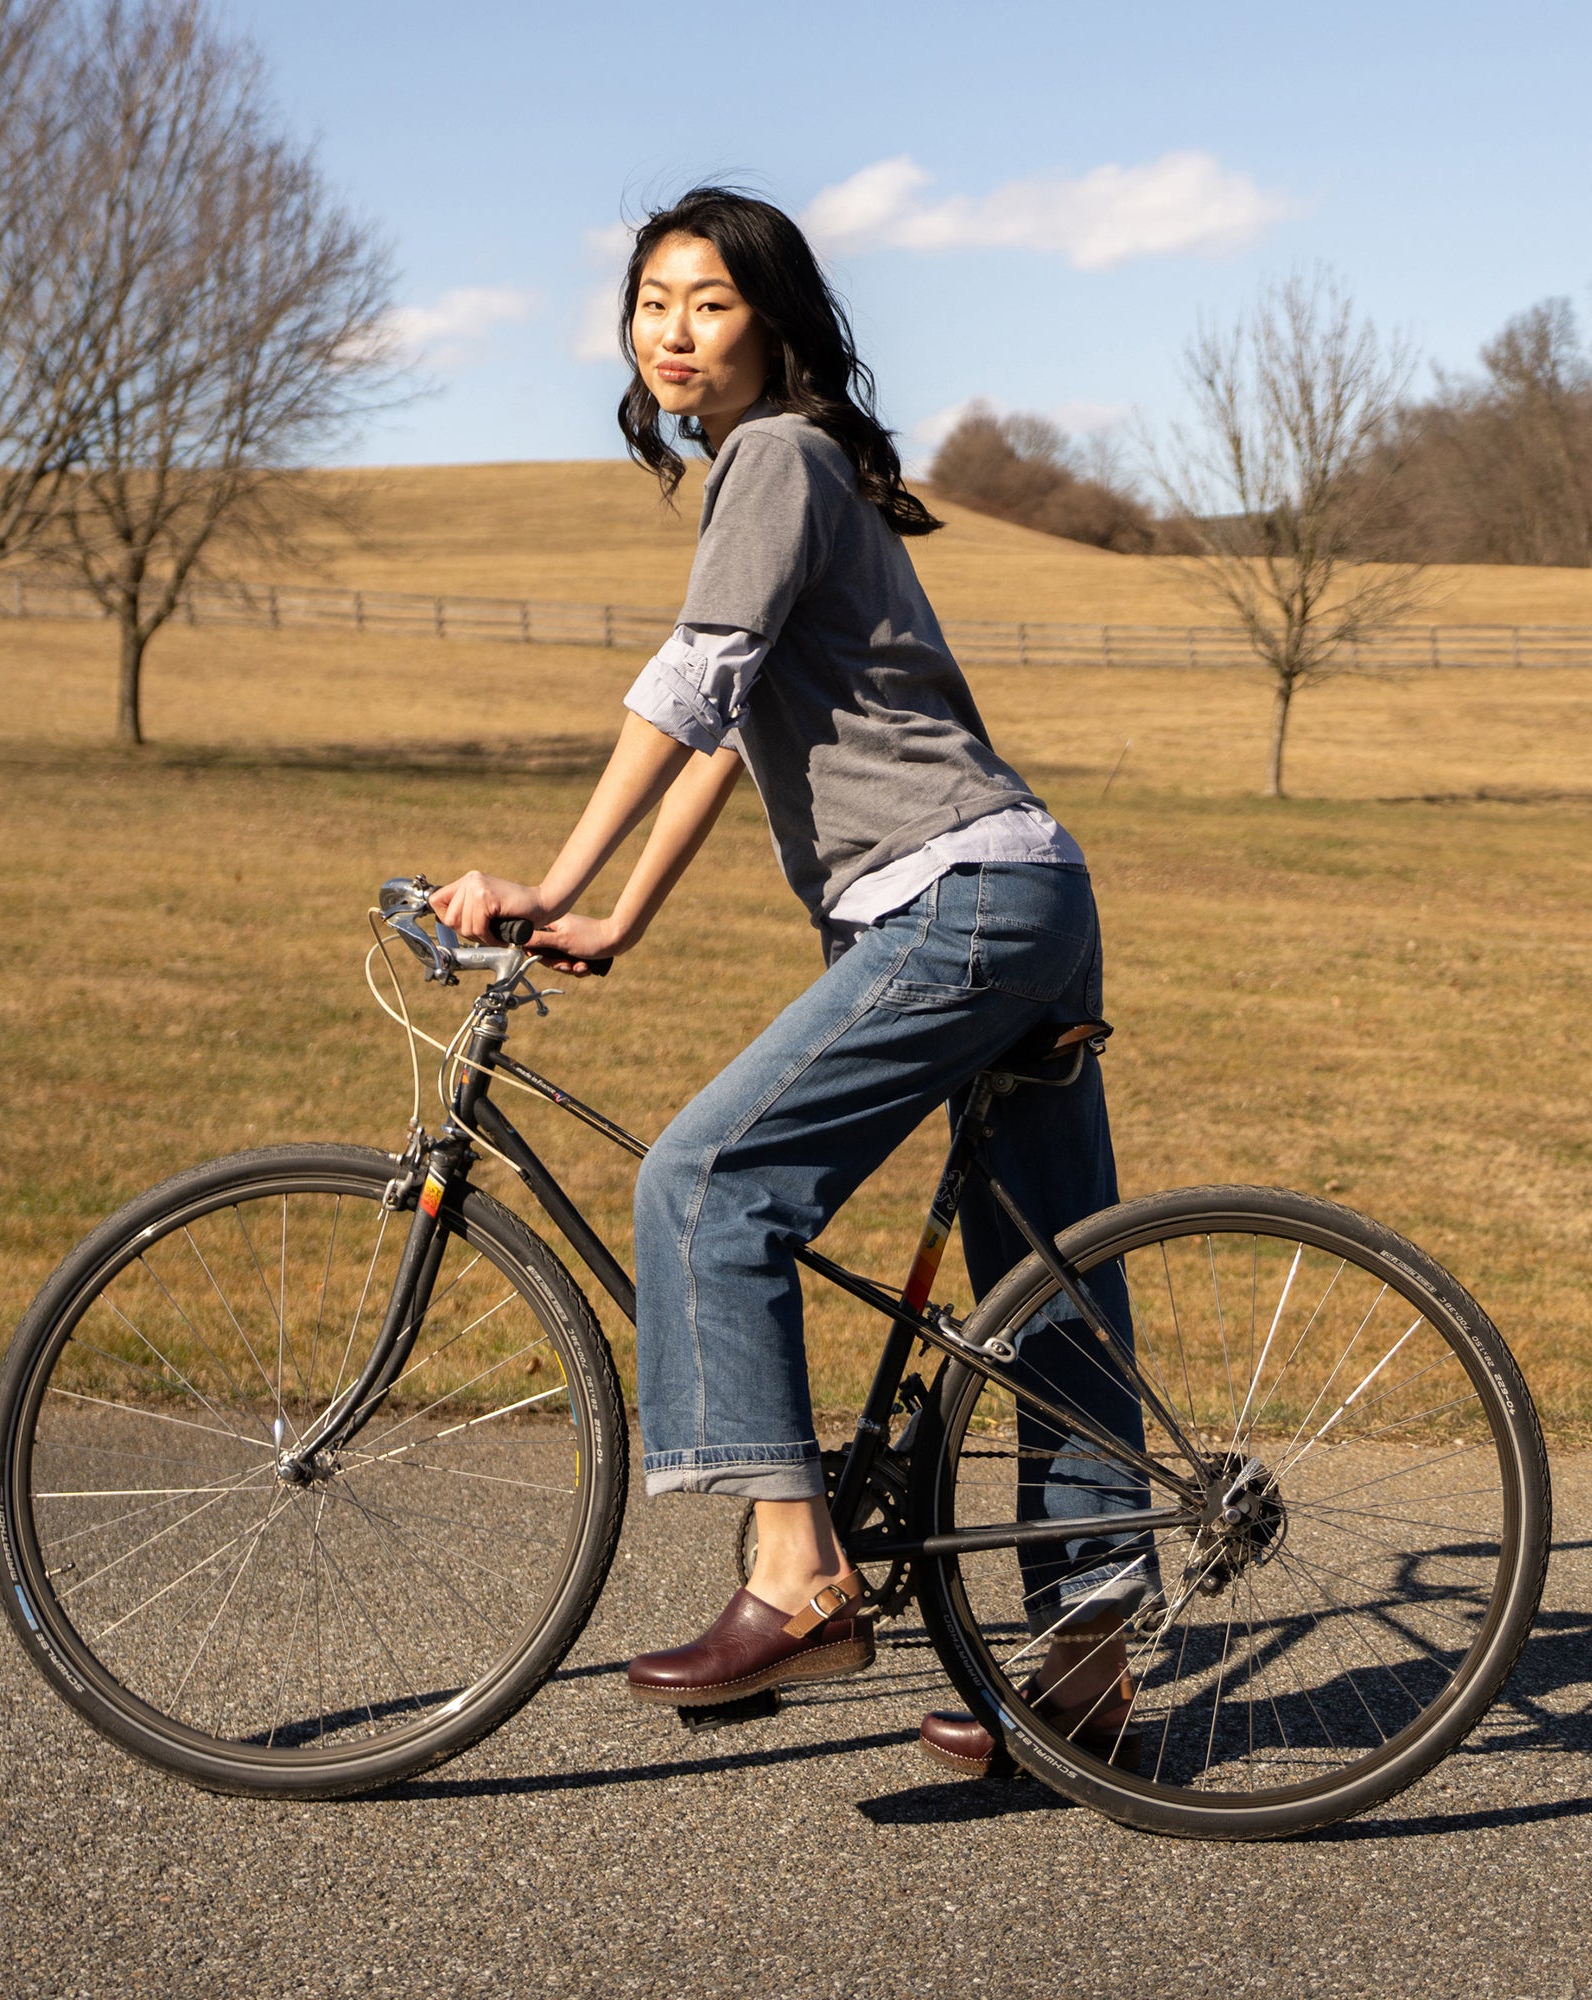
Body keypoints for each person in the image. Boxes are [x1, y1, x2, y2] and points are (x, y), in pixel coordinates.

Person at [431, 187, 1150, 1773]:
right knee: (1048, 1289)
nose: (672, 330)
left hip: (956, 902)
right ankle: (1091, 1665)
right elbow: (734, 733)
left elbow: (689, 689)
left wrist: (546, 876)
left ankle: (795, 1572)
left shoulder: (774, 457)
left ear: (774, 322)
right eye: (651, 304)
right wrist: (619, 917)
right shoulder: (791, 476)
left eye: (708, 302)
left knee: (707, 1184)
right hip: (1028, 896)